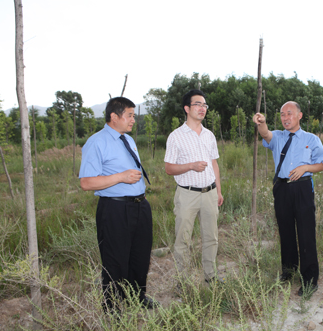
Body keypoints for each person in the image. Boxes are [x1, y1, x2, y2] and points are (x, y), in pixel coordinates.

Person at [79, 97, 157, 310]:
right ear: (114, 116)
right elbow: (86, 182)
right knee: (115, 259)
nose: (134, 119)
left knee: (140, 255)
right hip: (114, 208)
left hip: (140, 206)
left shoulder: (128, 139)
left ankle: (137, 296)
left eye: (133, 115)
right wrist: (120, 177)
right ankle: (111, 307)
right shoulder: (97, 142)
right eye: (130, 115)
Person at [253, 101, 323, 297]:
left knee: (306, 233)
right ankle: (289, 270)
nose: (285, 118)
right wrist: (261, 123)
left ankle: (310, 279)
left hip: (302, 187)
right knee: (285, 231)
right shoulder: (277, 136)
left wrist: (305, 167)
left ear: (300, 115)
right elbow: (265, 134)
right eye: (282, 114)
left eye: (290, 113)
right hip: (282, 188)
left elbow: (321, 164)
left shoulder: (312, 139)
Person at [164, 89, 224, 284]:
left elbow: (214, 164)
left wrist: (219, 191)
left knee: (211, 237)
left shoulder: (209, 135)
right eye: (198, 104)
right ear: (187, 108)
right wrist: (191, 166)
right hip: (187, 194)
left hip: (210, 193)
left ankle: (211, 276)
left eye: (205, 105)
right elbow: (169, 168)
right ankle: (183, 281)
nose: (202, 108)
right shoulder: (176, 136)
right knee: (183, 240)